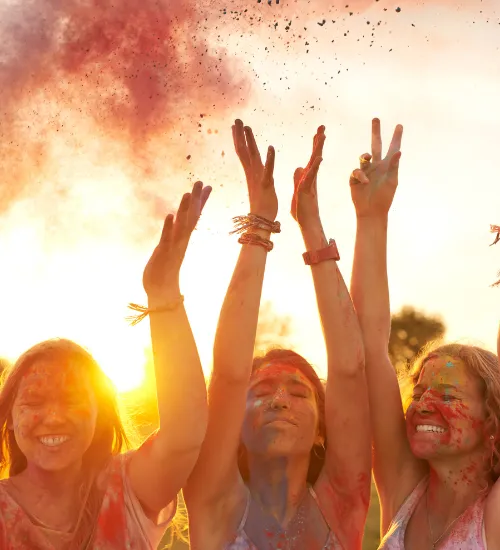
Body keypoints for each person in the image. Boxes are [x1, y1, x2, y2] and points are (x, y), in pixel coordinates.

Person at [184, 120, 371, 550]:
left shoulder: (341, 503)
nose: (280, 399)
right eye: (263, 390)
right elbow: (229, 374)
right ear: (236, 422)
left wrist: (311, 224)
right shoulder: (214, 502)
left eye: (300, 393)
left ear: (324, 429)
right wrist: (260, 225)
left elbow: (349, 369)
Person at [0, 181, 211, 549]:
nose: (52, 416)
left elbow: (185, 434)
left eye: (71, 400)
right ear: (11, 418)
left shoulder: (126, 487)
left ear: (99, 412)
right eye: (33, 402)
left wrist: (162, 295)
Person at [348, 118, 500, 549]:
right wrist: (371, 218)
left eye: (449, 396)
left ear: (492, 419)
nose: (423, 406)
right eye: (419, 393)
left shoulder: (492, 515)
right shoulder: (402, 491)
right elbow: (367, 347)